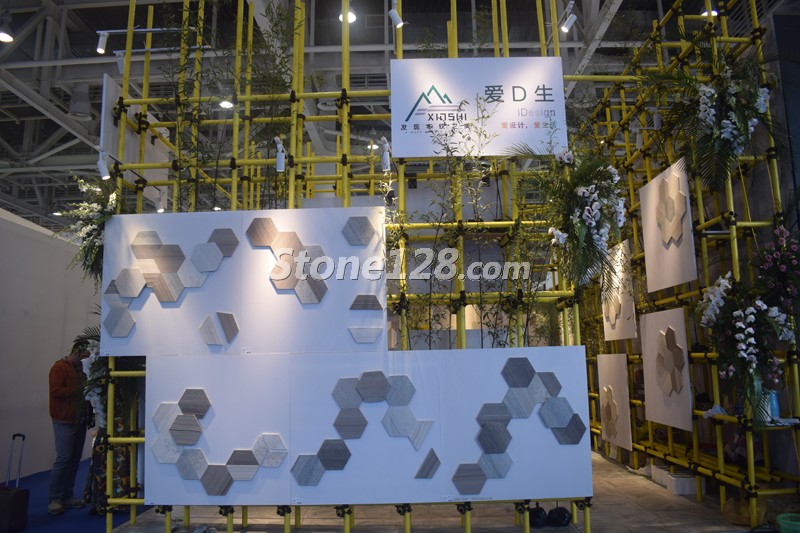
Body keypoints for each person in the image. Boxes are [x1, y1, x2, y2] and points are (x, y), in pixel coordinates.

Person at [47, 343, 90, 515]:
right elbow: (55, 391)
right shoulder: (59, 368)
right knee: (64, 459)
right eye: (84, 357)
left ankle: (67, 495)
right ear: (76, 353)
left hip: (79, 420)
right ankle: (54, 498)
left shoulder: (79, 370)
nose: (85, 361)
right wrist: (80, 390)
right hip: (64, 420)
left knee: (74, 460)